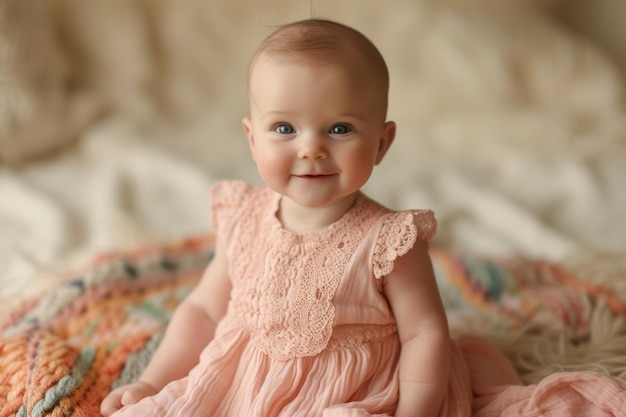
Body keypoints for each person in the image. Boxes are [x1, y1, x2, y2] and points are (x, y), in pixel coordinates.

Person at [101, 18, 451, 417]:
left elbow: (425, 334)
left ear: (381, 144)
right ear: (252, 139)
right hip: (239, 387)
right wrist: (152, 380)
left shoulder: (389, 241)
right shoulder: (243, 217)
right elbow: (204, 310)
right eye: (285, 127)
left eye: (340, 128)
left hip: (347, 392)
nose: (311, 149)